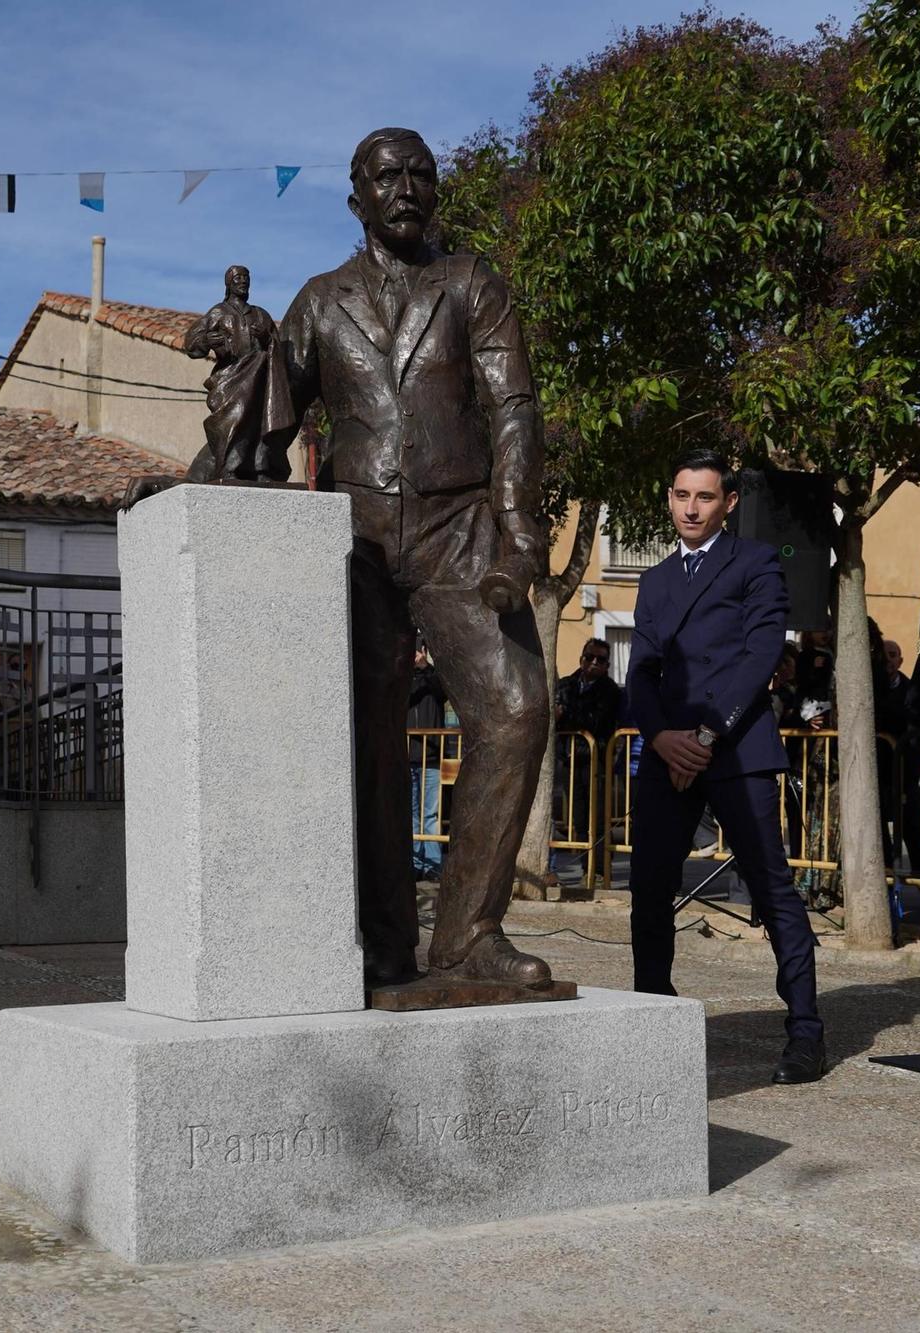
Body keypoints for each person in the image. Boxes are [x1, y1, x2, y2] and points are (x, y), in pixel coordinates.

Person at [281, 128, 551, 988]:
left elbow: (512, 407)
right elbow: (266, 417)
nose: (405, 188)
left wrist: (518, 533)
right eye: (386, 176)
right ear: (357, 197)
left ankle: (468, 933)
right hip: (354, 540)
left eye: (420, 174)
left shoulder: (471, 284)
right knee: (367, 738)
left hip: (458, 526)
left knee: (515, 710)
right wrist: (192, 483)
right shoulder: (321, 301)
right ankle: (380, 942)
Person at [626, 449, 824, 1084]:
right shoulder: (655, 580)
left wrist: (705, 736)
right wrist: (661, 738)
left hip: (736, 747)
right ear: (668, 497)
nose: (690, 508)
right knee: (649, 890)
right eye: (681, 495)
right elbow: (643, 671)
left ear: (728, 503)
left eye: (705, 497)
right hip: (668, 751)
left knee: (771, 888)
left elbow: (761, 652)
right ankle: (652, 1020)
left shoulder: (756, 561)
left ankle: (806, 1031)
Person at [181, 264, 295, 482]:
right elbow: (192, 344)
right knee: (233, 421)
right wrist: (207, 340)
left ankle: (263, 468)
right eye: (237, 278)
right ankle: (229, 468)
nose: (242, 282)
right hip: (231, 381)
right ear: (228, 284)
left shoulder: (261, 315)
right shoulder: (218, 313)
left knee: (260, 422)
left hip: (262, 379)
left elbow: (277, 349)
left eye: (246, 278)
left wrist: (266, 338)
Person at [554, 637, 622, 855]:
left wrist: (565, 713)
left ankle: (600, 870)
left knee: (599, 818)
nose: (594, 662)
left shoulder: (610, 691)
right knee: (579, 816)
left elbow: (595, 721)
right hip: (569, 758)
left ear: (607, 666)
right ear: (581, 659)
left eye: (600, 659)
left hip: (597, 759)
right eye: (589, 657)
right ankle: (586, 867)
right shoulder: (565, 684)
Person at [407, 641, 447, 881]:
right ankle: (415, 862)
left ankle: (432, 864)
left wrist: (425, 667)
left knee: (430, 814)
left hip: (431, 756)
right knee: (412, 814)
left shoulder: (434, 678)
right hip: (408, 756)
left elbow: (443, 692)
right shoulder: (404, 680)